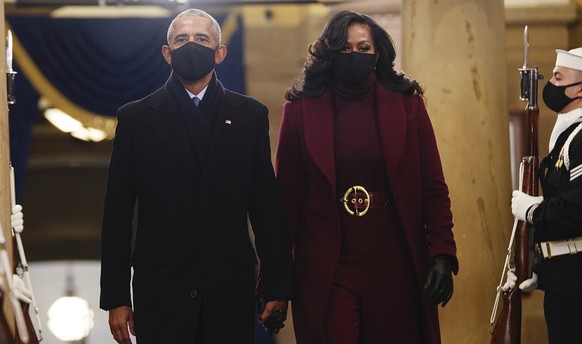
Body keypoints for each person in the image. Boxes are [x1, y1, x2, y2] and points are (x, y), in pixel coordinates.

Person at [99, 9, 294, 344]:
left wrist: (277, 284)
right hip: (160, 287)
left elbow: (265, 208)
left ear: (220, 52)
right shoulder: (135, 119)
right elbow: (116, 215)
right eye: (181, 39)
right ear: (167, 52)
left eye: (202, 39)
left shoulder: (249, 116)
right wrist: (116, 297)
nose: (192, 45)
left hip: (228, 284)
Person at [275, 10, 458, 344]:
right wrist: (274, 280)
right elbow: (286, 202)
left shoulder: (407, 106)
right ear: (329, 53)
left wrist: (442, 253)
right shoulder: (300, 111)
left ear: (378, 54)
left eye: (363, 48)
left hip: (395, 259)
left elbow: (432, 187)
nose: (354, 55)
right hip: (328, 264)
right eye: (345, 49)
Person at [510, 47, 582, 344]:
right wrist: (538, 264)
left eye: (557, 77)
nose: (550, 85)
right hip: (564, 280)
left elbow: (576, 211)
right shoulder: (568, 134)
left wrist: (533, 211)